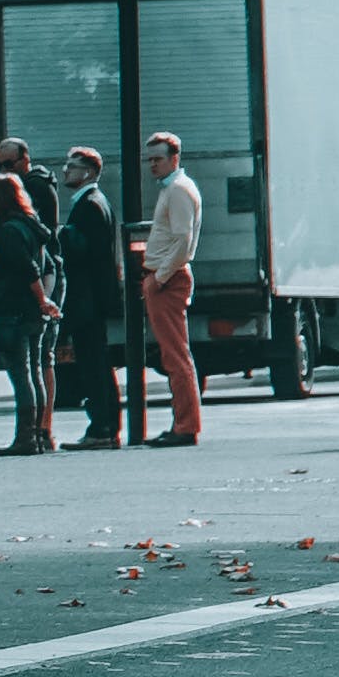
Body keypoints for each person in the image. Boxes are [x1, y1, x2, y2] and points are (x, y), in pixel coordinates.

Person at [0, 150, 60, 455]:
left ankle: (26, 436)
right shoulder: (32, 226)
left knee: (21, 374)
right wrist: (43, 301)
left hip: (14, 309)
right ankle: (39, 434)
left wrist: (42, 299)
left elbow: (26, 269)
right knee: (34, 371)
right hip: (31, 312)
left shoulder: (8, 231)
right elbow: (45, 267)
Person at [135, 130, 205, 445]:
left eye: (158, 159)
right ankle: (183, 423)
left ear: (174, 158)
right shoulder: (173, 188)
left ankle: (185, 425)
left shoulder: (177, 190)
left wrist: (159, 277)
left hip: (169, 279)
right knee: (173, 354)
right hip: (166, 276)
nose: (153, 165)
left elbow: (183, 241)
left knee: (175, 356)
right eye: (149, 159)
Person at [58, 152, 124, 443]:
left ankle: (101, 427)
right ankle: (107, 424)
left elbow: (84, 250)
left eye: (71, 167)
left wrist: (62, 236)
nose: (65, 171)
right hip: (94, 298)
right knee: (98, 362)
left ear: (87, 172)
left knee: (92, 364)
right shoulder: (95, 202)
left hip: (87, 299)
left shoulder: (90, 205)